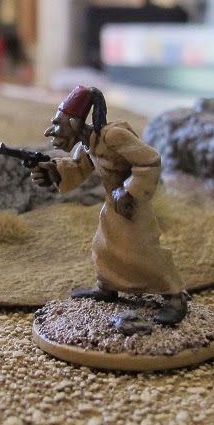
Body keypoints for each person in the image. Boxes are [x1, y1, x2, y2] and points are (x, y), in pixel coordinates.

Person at [31, 86, 188, 325]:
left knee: (143, 251)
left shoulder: (113, 136)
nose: (51, 131)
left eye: (58, 124)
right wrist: (53, 172)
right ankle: (107, 287)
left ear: (74, 123)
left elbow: (150, 160)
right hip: (112, 204)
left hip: (132, 204)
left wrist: (129, 191)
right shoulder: (87, 145)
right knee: (104, 246)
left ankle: (175, 296)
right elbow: (78, 168)